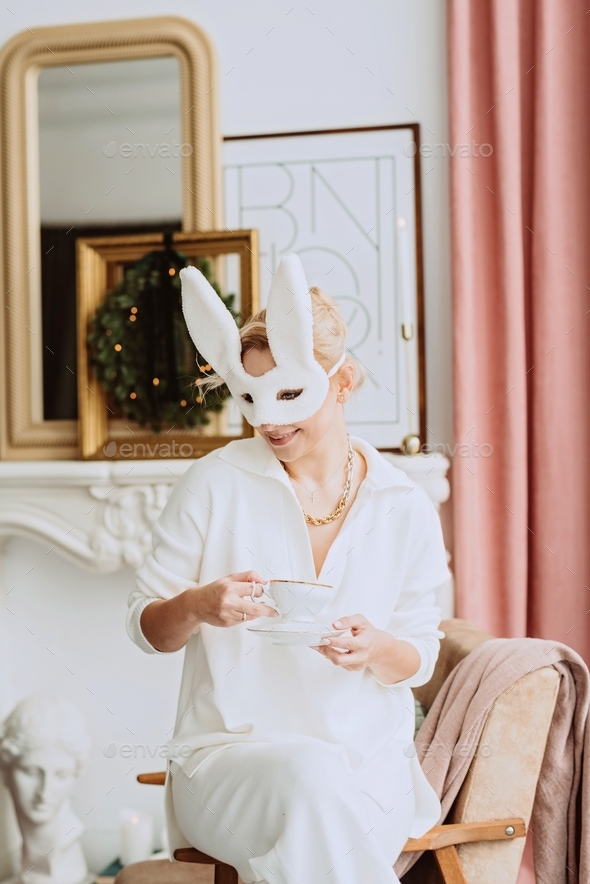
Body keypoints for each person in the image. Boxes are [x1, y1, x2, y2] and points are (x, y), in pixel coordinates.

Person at [127, 254, 450, 884]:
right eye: (249, 397)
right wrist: (197, 606)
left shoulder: (403, 504)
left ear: (344, 382)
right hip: (227, 766)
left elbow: (422, 655)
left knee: (319, 794)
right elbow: (146, 629)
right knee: (307, 777)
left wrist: (376, 648)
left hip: (368, 775)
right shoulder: (214, 483)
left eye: (289, 395)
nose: (268, 419)